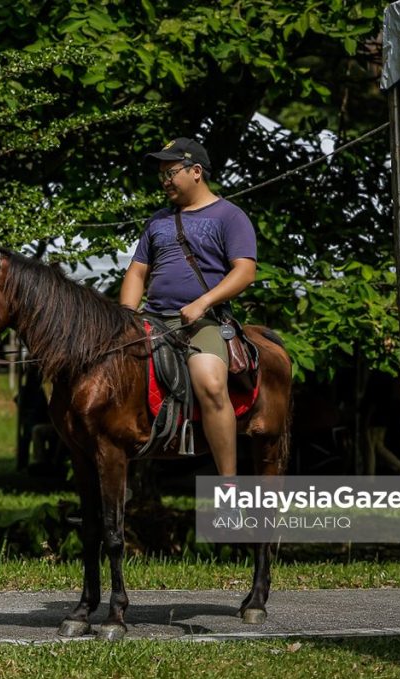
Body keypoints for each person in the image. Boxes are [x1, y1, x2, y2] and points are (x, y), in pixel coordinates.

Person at [120, 137, 257, 483]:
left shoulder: (230, 216)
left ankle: (228, 484)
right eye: (161, 174)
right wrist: (124, 316)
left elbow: (245, 271)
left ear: (196, 172)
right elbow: (137, 272)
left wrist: (203, 303)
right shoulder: (157, 221)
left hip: (203, 321)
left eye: (171, 172)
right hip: (150, 319)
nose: (164, 180)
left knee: (210, 381)